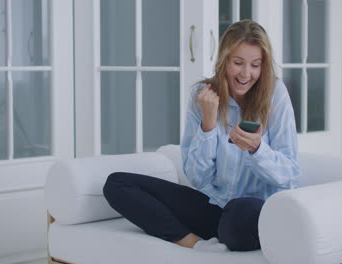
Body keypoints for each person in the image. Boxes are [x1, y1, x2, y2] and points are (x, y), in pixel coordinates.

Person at [103, 19, 300, 252]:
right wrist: (208, 124)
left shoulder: (275, 95)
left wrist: (258, 150)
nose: (246, 73)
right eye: (238, 63)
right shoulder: (203, 95)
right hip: (214, 207)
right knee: (116, 184)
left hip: (253, 213)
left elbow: (290, 175)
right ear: (224, 60)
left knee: (239, 211)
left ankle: (221, 233)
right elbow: (198, 178)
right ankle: (194, 243)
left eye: (255, 65)